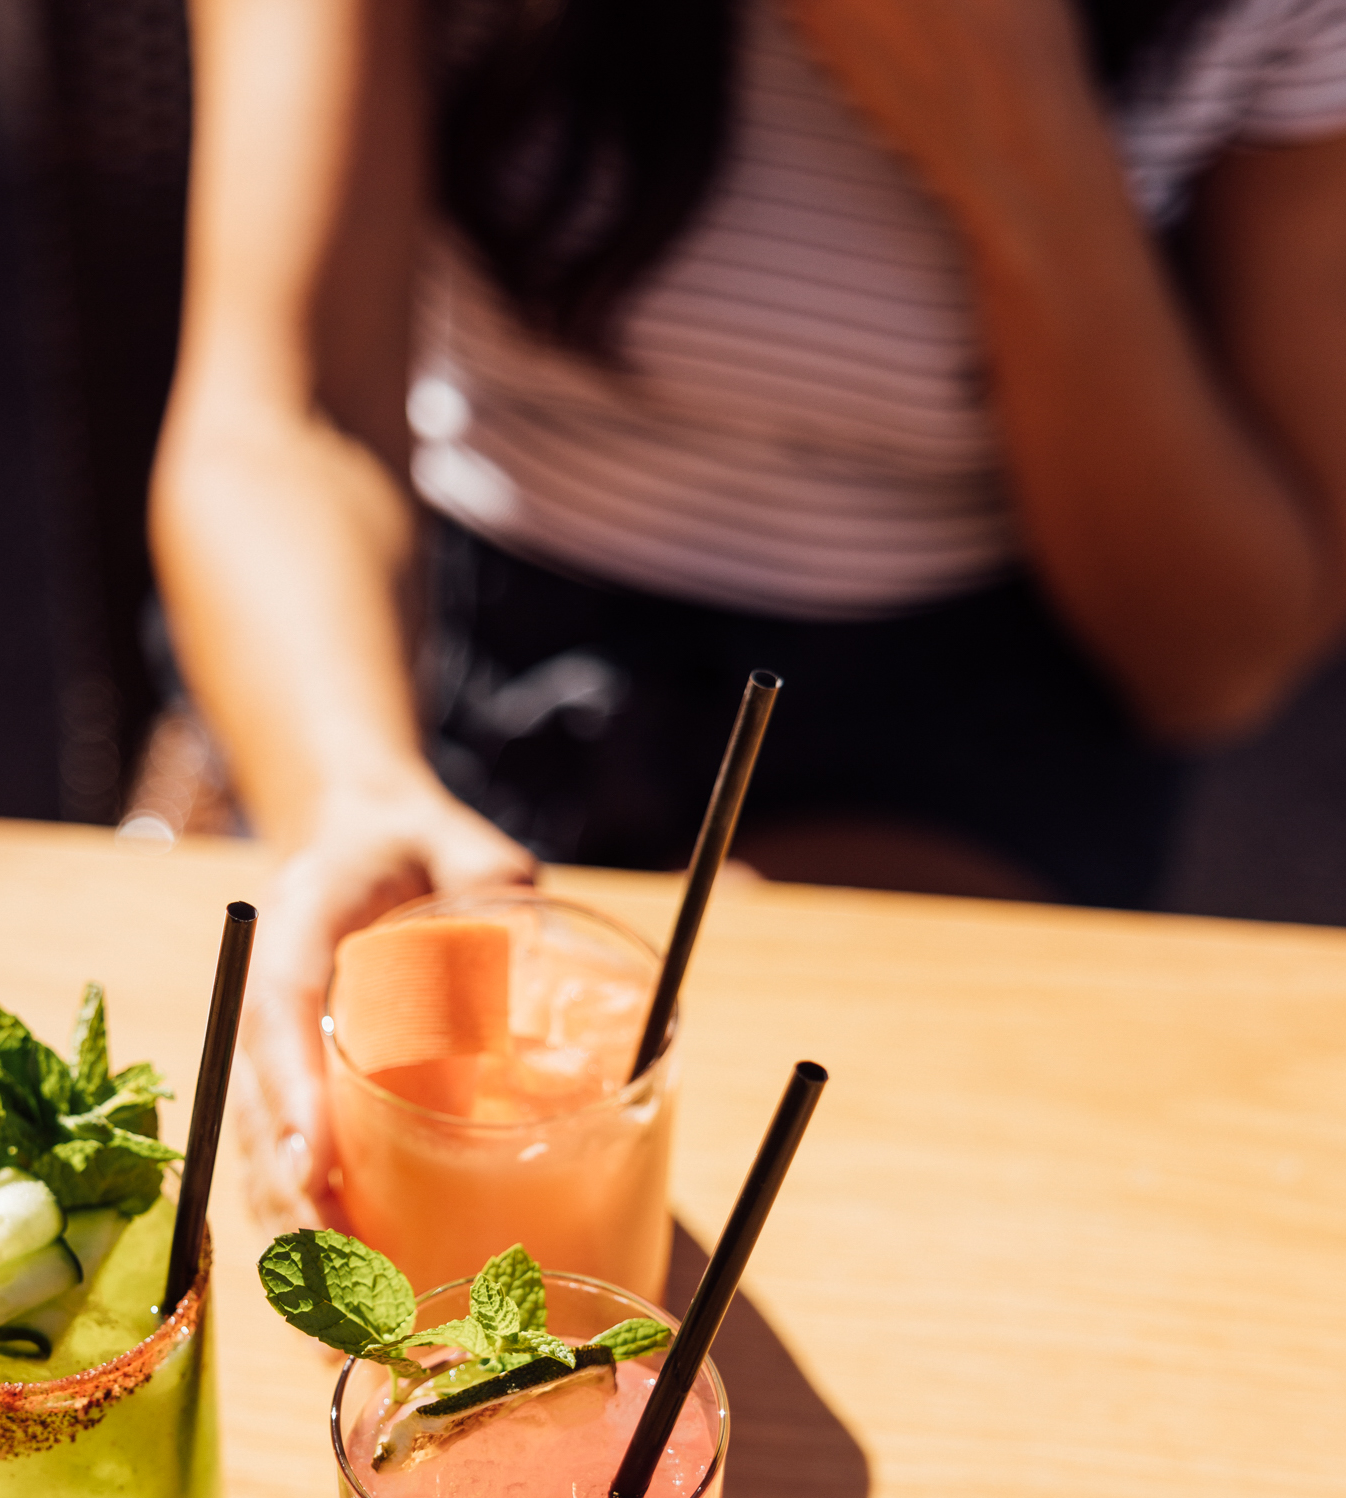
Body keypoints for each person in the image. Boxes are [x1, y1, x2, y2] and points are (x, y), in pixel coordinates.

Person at [150, 0, 1346, 1237]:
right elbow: (279, 420)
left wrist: (1017, 140)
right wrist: (347, 790)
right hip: (437, 640)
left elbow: (1215, 661)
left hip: (961, 691)